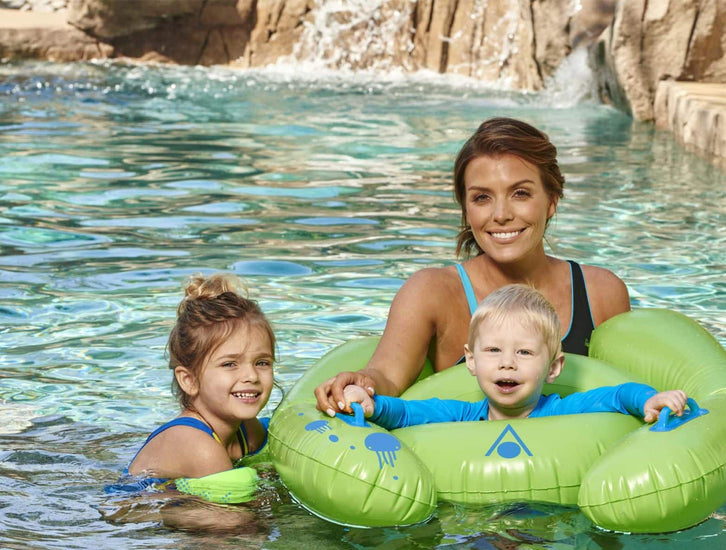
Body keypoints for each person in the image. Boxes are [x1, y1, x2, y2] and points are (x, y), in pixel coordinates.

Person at [316, 117, 631, 416]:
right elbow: (386, 376)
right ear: (466, 210)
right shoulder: (433, 292)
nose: (501, 215)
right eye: (482, 198)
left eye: (520, 193)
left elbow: (627, 390)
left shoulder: (599, 292)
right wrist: (361, 383)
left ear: (551, 200)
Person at [340, 284, 687, 427]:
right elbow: (407, 413)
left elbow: (616, 395)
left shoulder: (564, 411)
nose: (507, 362)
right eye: (492, 351)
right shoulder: (461, 416)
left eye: (524, 352)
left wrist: (649, 400)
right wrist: (369, 404)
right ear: (471, 361)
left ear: (554, 367)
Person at [118, 273, 274, 487]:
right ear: (189, 380)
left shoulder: (246, 430)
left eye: (262, 362)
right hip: (137, 509)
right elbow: (237, 519)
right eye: (229, 364)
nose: (251, 376)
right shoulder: (199, 447)